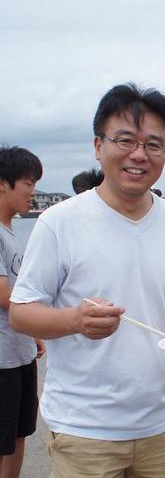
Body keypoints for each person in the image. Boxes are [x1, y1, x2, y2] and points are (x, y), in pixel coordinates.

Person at [9, 83, 165, 478]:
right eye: (125, 140)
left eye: (154, 144)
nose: (139, 155)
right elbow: (21, 313)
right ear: (98, 146)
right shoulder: (58, 223)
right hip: (84, 431)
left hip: (161, 423)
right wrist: (75, 321)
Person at [0, 146, 45, 477]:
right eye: (28, 183)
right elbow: (4, 294)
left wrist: (32, 332)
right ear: (3, 183)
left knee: (19, 434)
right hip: (2, 359)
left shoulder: (10, 231)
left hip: (19, 351)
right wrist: (43, 319)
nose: (34, 191)